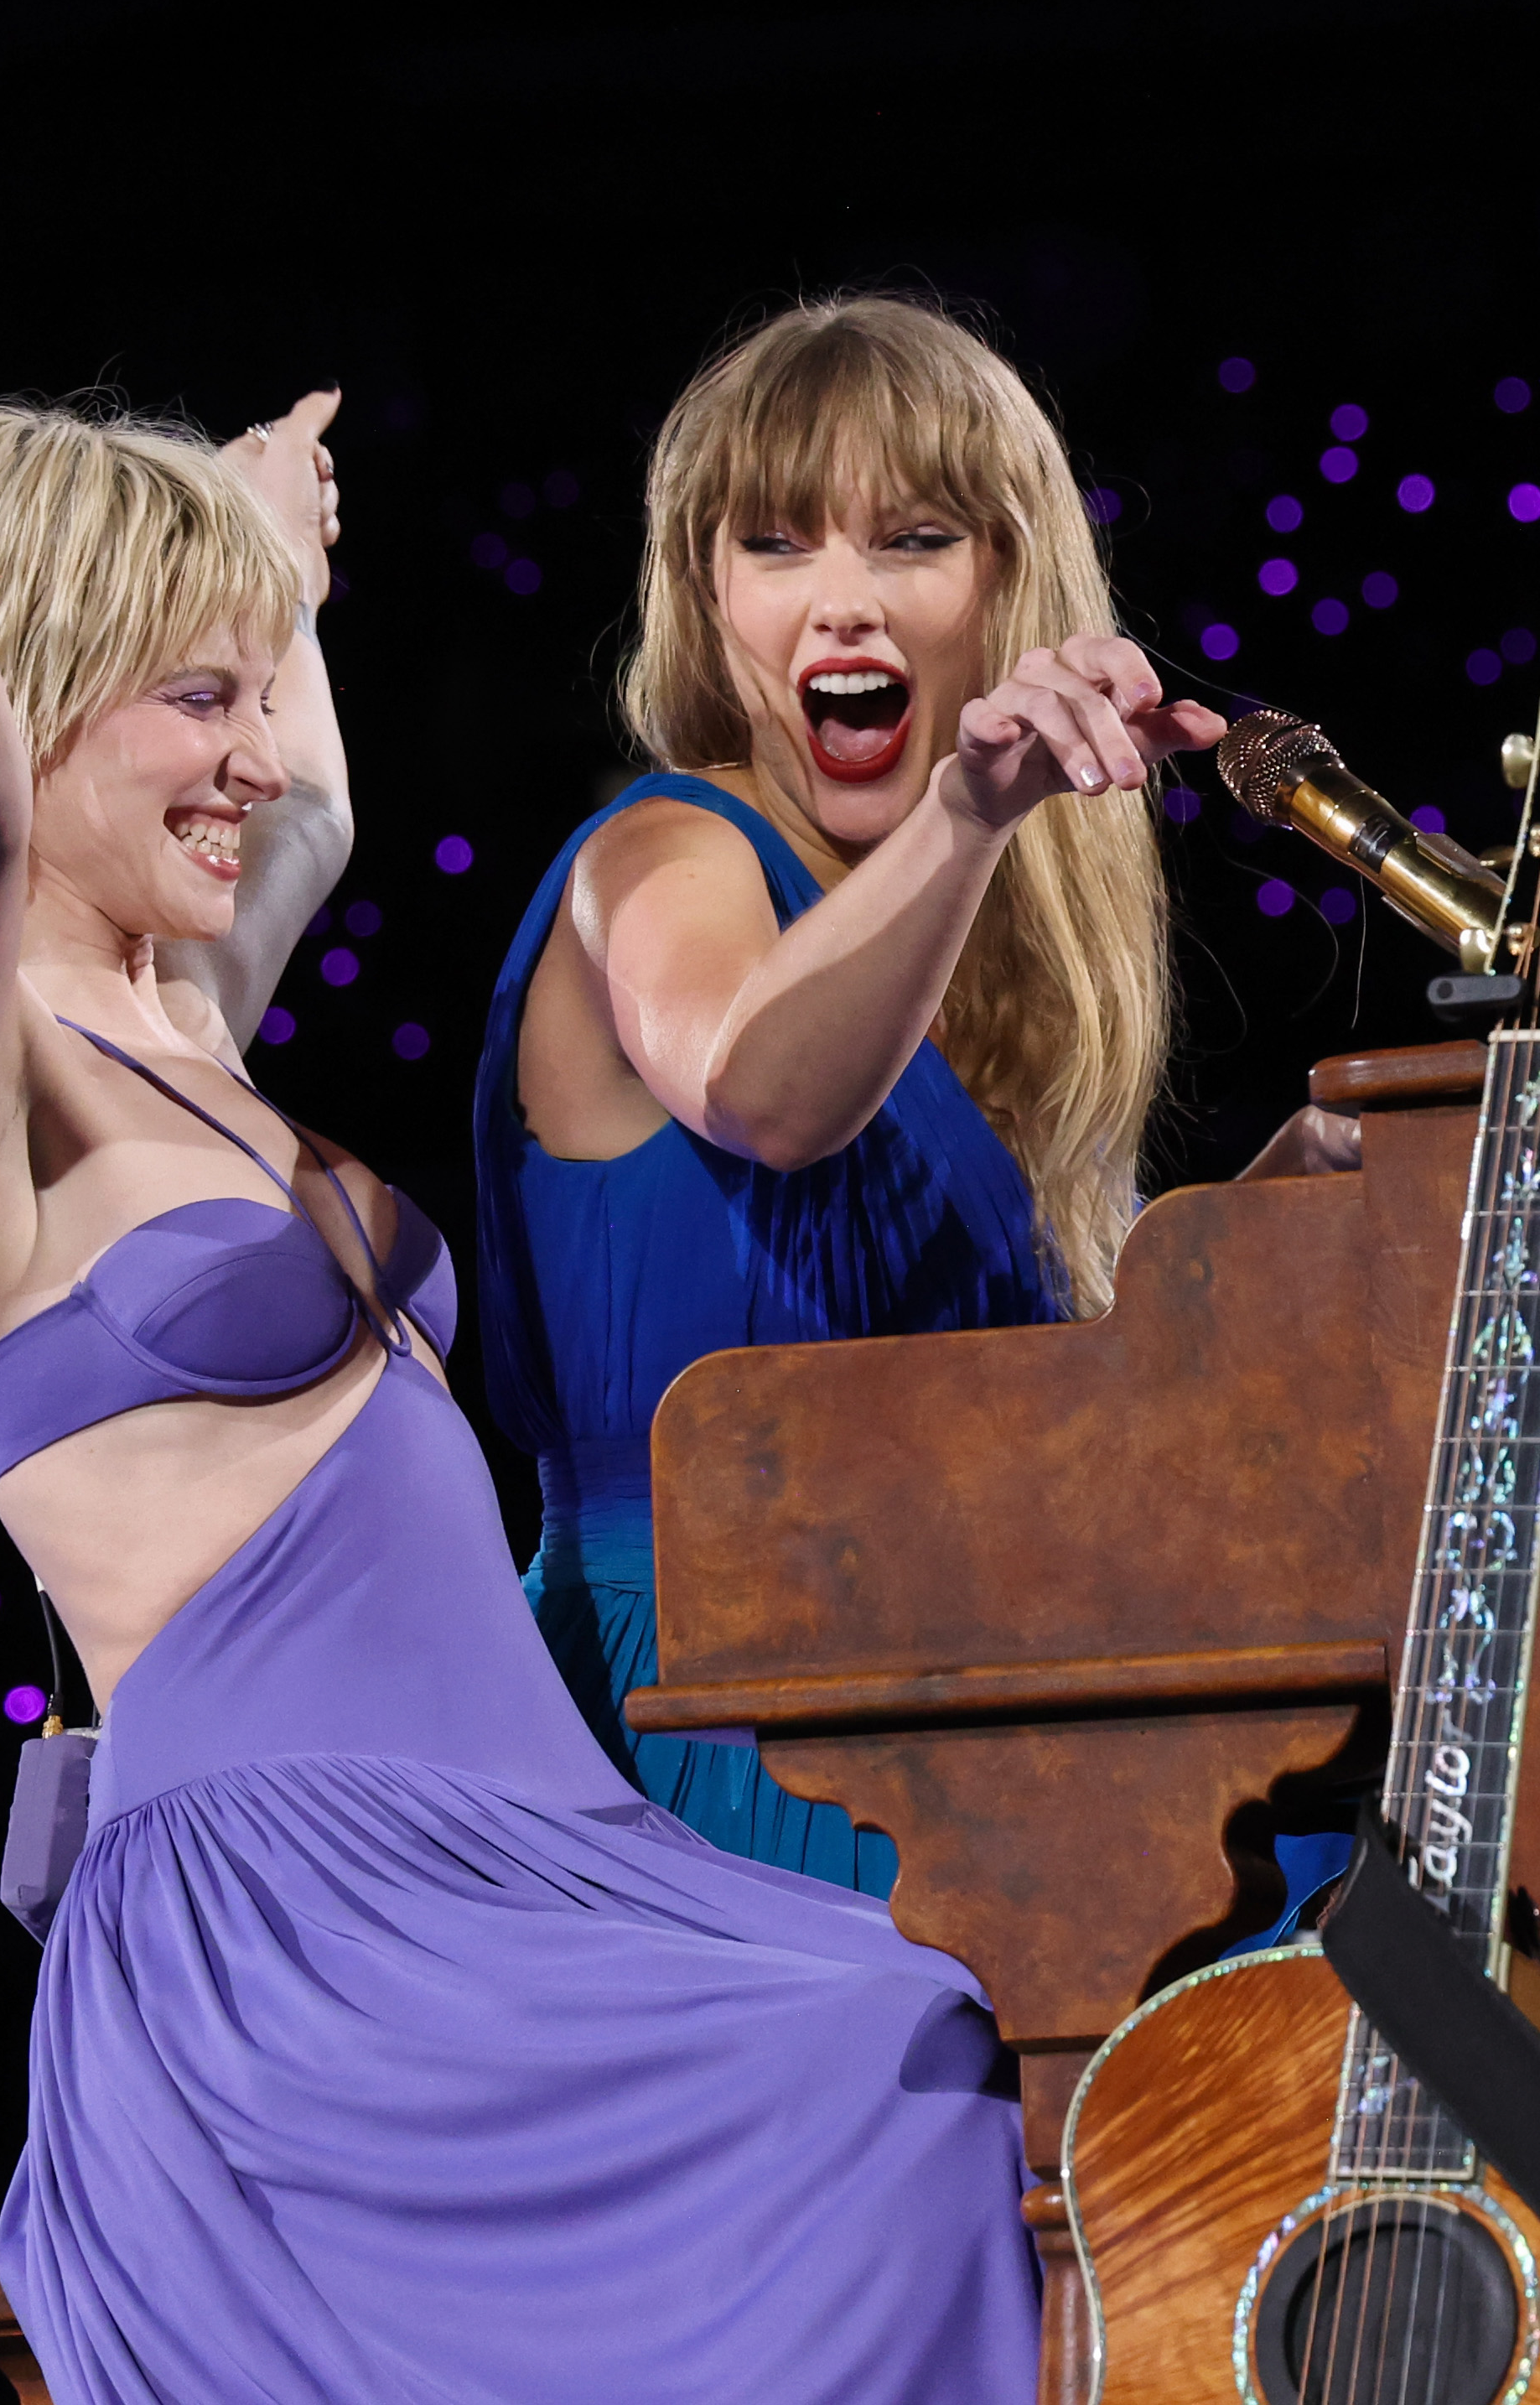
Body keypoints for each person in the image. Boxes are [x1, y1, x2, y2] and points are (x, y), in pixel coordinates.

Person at [0, 203, 1036, 2405]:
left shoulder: (190, 1029)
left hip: (554, 1858)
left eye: (252, 696)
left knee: (972, 2019)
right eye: (194, 700)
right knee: (886, 2060)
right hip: (317, 1924)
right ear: (35, 686)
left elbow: (309, 807)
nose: (253, 753)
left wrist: (259, 570)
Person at [467, 295, 1226, 1893]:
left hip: (968, 1711)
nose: (842, 606)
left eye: (912, 540)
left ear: (1003, 586)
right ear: (705, 594)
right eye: (777, 546)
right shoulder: (667, 849)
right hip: (716, 1718)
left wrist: (1311, 1197)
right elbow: (762, 1091)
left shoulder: (991, 947)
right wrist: (968, 811)